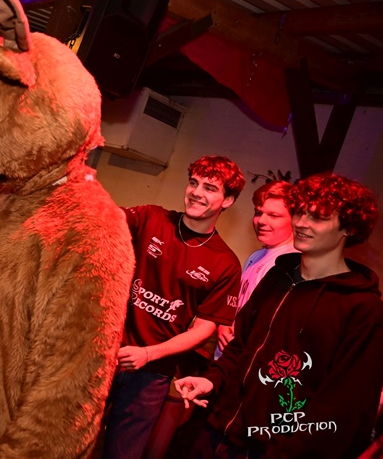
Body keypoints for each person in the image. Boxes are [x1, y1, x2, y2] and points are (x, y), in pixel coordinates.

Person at [176, 173, 382, 458]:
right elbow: (240, 345)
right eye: (299, 213)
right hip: (216, 431)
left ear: (349, 227)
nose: (301, 223)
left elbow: (345, 409)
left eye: (318, 217)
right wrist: (212, 380)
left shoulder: (362, 307)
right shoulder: (278, 277)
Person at [103, 155, 245, 458]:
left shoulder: (226, 263)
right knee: (67, 440)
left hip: (152, 373)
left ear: (228, 200)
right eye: (194, 183)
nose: (196, 192)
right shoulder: (151, 218)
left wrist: (147, 354)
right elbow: (102, 217)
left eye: (210, 188)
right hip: (104, 354)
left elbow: (203, 330)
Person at [215, 180, 297, 358]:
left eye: (274, 215)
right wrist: (224, 323)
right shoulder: (257, 256)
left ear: (295, 220)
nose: (262, 221)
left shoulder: (291, 265)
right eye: (258, 213)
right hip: (224, 359)